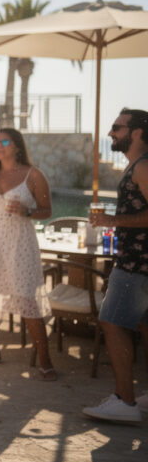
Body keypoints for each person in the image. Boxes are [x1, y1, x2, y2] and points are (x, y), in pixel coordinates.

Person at [0, 128, 56, 379]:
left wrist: (27, 212)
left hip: (19, 242)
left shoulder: (34, 175)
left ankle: (45, 359)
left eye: (4, 141)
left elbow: (47, 210)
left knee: (27, 298)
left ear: (17, 146)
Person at [82, 108, 148, 422]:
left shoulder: (143, 166)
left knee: (112, 323)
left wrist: (113, 220)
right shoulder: (137, 165)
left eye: (117, 127)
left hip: (136, 263)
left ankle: (125, 401)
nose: (111, 133)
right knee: (144, 326)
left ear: (137, 132)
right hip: (140, 262)